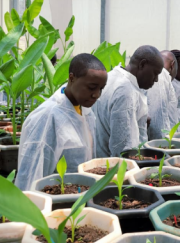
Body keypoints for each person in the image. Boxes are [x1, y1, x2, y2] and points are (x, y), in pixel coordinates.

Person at [14, 54, 107, 190]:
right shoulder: (48, 116)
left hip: (79, 194)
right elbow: (32, 174)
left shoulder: (85, 110)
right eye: (92, 87)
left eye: (101, 89)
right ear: (71, 78)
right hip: (55, 199)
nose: (96, 95)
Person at [91, 45, 162, 157]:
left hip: (99, 160)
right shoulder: (126, 92)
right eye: (155, 73)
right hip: (114, 168)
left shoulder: (111, 77)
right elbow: (124, 150)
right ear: (142, 64)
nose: (156, 79)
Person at [145, 50, 179, 141]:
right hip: (159, 145)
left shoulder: (157, 75)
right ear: (173, 64)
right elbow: (157, 120)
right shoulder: (161, 76)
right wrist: (162, 147)